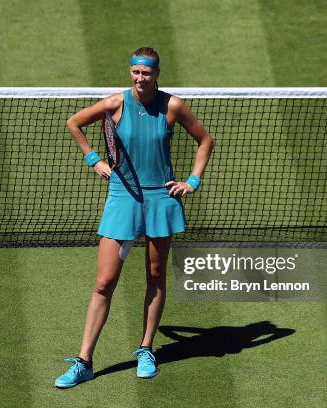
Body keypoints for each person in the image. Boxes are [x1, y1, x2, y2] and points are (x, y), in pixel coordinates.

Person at [55, 47, 214, 389]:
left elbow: (205, 140)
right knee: (104, 282)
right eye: (136, 72)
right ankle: (84, 361)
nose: (140, 78)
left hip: (160, 198)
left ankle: (145, 348)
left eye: (147, 73)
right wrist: (94, 159)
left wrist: (192, 181)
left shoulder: (172, 106)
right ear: (131, 72)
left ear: (157, 74)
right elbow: (74, 123)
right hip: (123, 198)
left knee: (156, 275)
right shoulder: (115, 103)